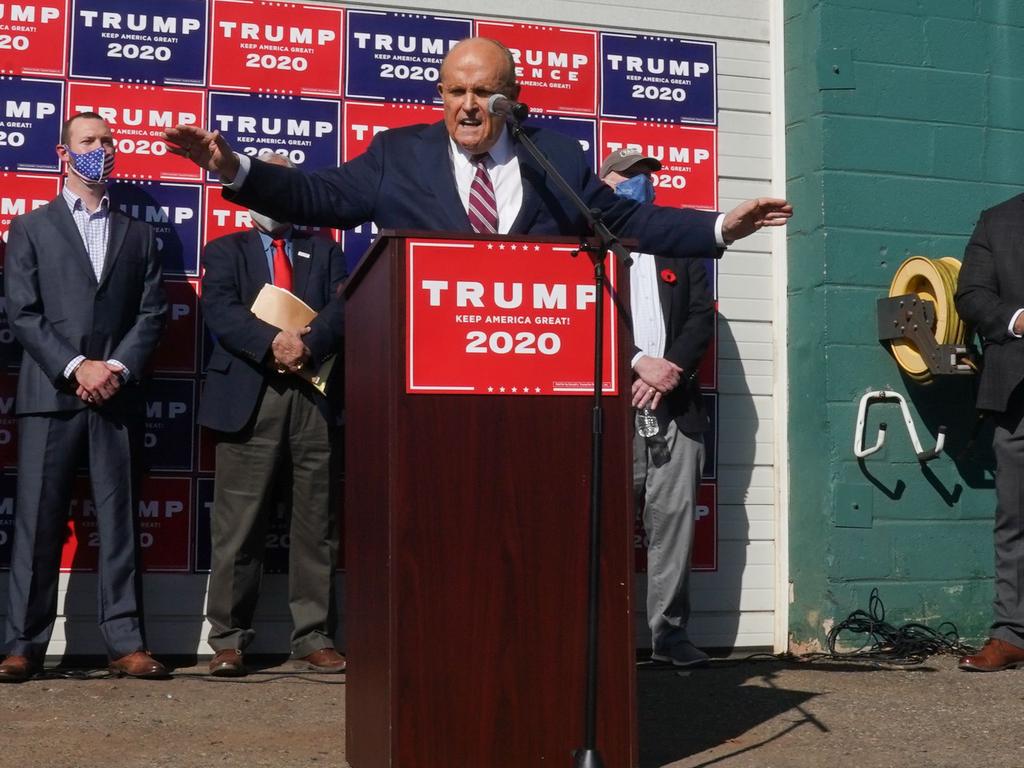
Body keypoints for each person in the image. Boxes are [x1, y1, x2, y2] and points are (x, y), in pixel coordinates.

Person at [164, 37, 791, 258]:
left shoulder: (559, 157)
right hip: (421, 381)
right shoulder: (397, 155)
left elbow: (627, 220)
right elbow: (318, 195)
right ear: (440, 95)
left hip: (533, 373)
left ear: (511, 97)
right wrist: (234, 166)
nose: (468, 105)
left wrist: (720, 228)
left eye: (483, 92)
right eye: (456, 91)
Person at [0, 112, 168, 682]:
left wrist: (113, 367)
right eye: (88, 141)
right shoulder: (31, 227)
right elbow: (22, 312)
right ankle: (22, 644)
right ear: (63, 153)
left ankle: (126, 643)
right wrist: (77, 367)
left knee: (119, 523)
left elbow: (152, 313)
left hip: (115, 397)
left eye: (107, 141)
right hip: (51, 394)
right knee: (37, 522)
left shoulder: (139, 234)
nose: (101, 149)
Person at [199, 153, 347, 676]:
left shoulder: (325, 250)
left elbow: (342, 309)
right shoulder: (224, 251)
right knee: (238, 526)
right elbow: (220, 311)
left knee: (317, 523)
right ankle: (229, 639)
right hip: (249, 396)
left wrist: (307, 345)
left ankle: (313, 635)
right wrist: (273, 344)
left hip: (313, 395)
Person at [600, 148, 715, 667]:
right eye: (628, 175)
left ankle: (669, 635)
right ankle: (601, 636)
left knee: (673, 523)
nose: (640, 183)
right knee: (601, 524)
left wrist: (667, 372)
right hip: (607, 406)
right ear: (602, 182)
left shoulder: (681, 245)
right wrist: (637, 361)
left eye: (646, 175)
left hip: (675, 406)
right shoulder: (588, 245)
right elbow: (579, 318)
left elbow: (699, 319)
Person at [955, 193, 1024, 672]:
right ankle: (1012, 634)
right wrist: (1017, 319)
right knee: (1015, 518)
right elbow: (972, 294)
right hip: (1019, 393)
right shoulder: (998, 220)